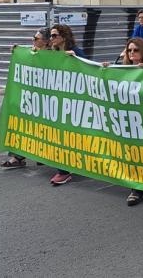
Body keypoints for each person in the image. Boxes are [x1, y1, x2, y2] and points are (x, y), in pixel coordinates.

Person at [108, 38, 143, 206]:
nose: (132, 53)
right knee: (132, 152)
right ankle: (137, 188)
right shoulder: (122, 70)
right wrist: (104, 70)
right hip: (128, 118)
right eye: (129, 50)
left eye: (136, 50)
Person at [1, 28, 51, 169]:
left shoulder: (53, 56)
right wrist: (18, 51)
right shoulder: (31, 52)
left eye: (36, 39)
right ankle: (17, 157)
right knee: (22, 125)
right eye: (33, 38)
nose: (33, 41)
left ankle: (43, 155)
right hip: (29, 97)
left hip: (44, 99)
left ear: (46, 42)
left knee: (43, 128)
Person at [48, 24, 86, 185]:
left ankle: (64, 171)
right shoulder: (52, 54)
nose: (51, 38)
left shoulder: (76, 52)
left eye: (54, 35)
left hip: (73, 102)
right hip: (58, 101)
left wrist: (75, 59)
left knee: (67, 135)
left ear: (63, 37)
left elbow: (88, 70)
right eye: (50, 35)